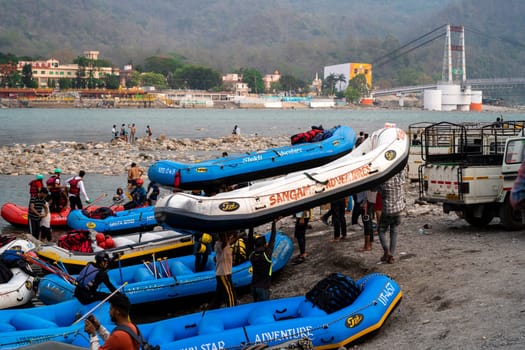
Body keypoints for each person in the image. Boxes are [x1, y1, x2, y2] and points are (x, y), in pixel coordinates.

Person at [378, 170, 406, 264]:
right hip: (398, 211)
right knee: (394, 232)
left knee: (381, 230)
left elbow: (378, 191)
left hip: (387, 211)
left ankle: (386, 251)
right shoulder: (399, 180)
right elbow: (402, 170)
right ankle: (391, 256)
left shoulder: (383, 182)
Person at [249, 219, 278, 302]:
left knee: (257, 307)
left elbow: (250, 241)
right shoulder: (266, 255)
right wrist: (274, 223)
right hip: (263, 288)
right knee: (264, 309)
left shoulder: (252, 255)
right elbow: (272, 239)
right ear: (265, 245)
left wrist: (251, 226)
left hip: (253, 287)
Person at [209, 231, 237, 309]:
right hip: (224, 274)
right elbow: (225, 240)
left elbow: (233, 239)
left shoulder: (226, 243)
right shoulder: (220, 245)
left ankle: (212, 309)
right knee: (230, 294)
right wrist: (225, 230)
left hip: (223, 273)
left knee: (218, 295)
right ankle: (233, 309)